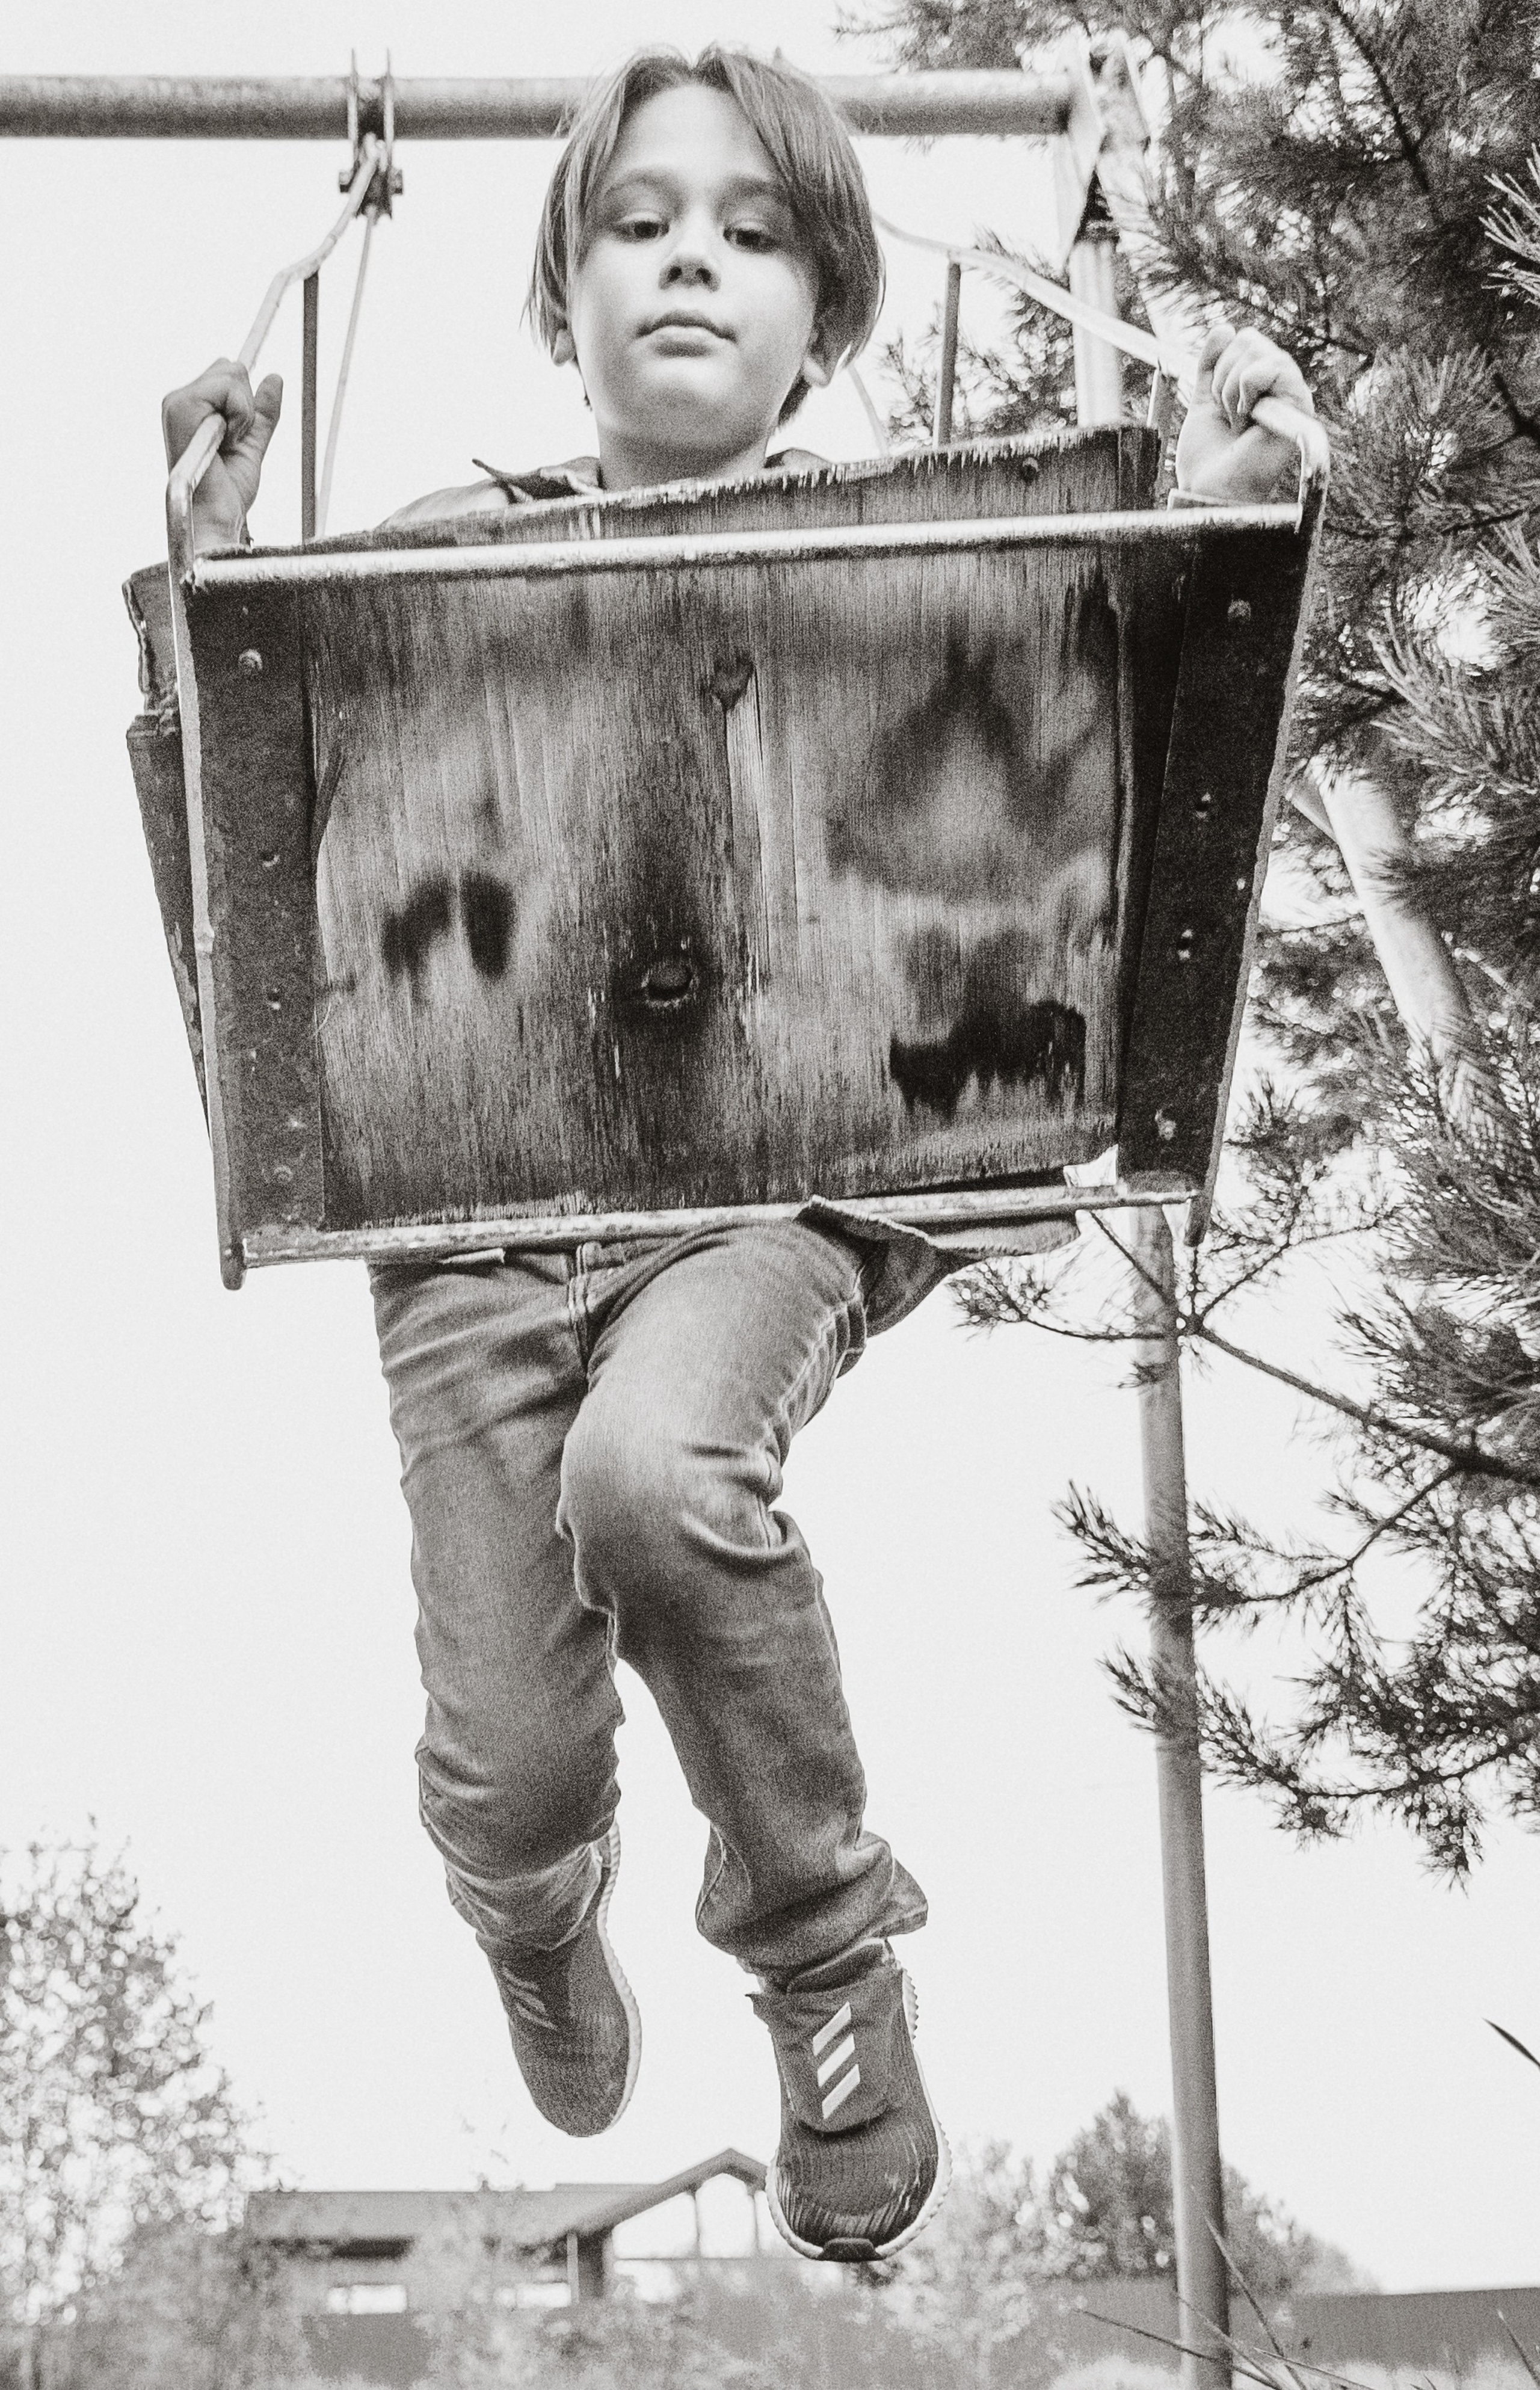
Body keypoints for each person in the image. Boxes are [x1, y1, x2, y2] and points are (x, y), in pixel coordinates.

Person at [161, 43, 1315, 2265]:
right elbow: (265, 853)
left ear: (830, 306)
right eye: (642, 219)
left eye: (752, 228)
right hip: (486, 1212)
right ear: (565, 289)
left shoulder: (937, 563)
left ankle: (822, 1954)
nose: (692, 255)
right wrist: (214, 570)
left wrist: (1213, 513)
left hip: (776, 1187)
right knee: (505, 1762)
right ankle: (537, 1907)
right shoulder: (437, 560)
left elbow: (1091, 765)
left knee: (655, 1474)